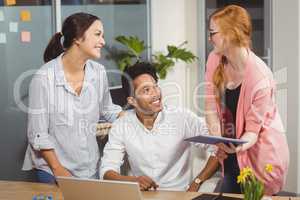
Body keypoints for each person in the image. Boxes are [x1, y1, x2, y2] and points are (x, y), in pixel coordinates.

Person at [22, 12, 122, 183]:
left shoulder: (98, 72)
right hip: (53, 171)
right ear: (77, 38)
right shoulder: (44, 78)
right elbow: (38, 134)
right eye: (97, 34)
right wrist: (59, 171)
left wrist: (140, 117)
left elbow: (107, 110)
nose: (103, 42)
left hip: (89, 168)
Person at [204, 5, 289, 195]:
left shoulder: (260, 77)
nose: (209, 38)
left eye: (213, 33)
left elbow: (252, 132)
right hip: (232, 151)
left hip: (261, 158)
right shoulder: (214, 59)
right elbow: (210, 108)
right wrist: (219, 139)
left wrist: (234, 145)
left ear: (231, 34)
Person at [100, 62, 219, 192]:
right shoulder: (121, 125)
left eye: (155, 87)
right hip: (143, 196)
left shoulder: (182, 117)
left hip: (179, 194)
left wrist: (197, 182)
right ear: (132, 101)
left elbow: (218, 147)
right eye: (146, 90)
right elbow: (107, 170)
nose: (156, 94)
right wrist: (134, 181)